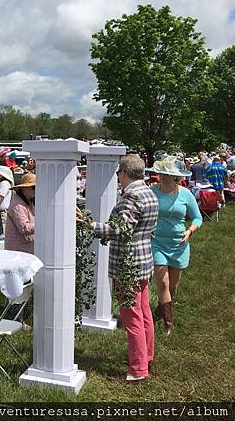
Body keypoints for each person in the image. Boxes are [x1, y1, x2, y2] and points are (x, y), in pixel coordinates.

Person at [78, 155, 159, 381]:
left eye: (118, 174)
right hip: (144, 260)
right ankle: (147, 358)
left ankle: (138, 370)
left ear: (123, 173)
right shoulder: (149, 193)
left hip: (128, 264)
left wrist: (90, 224)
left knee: (131, 317)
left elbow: (119, 230)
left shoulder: (132, 196)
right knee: (144, 313)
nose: (118, 178)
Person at [145, 156, 202, 334]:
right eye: (161, 173)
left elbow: (197, 218)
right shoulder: (152, 191)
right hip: (156, 242)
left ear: (175, 176)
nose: (162, 176)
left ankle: (161, 308)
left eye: (167, 174)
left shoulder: (185, 194)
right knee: (163, 283)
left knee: (172, 286)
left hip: (179, 244)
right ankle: (168, 324)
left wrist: (190, 231)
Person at [4, 173, 35, 254]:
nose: (36, 190)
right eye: (33, 187)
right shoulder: (17, 205)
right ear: (23, 188)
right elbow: (24, 228)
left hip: (24, 248)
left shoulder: (28, 202)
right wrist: (42, 224)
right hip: (18, 251)